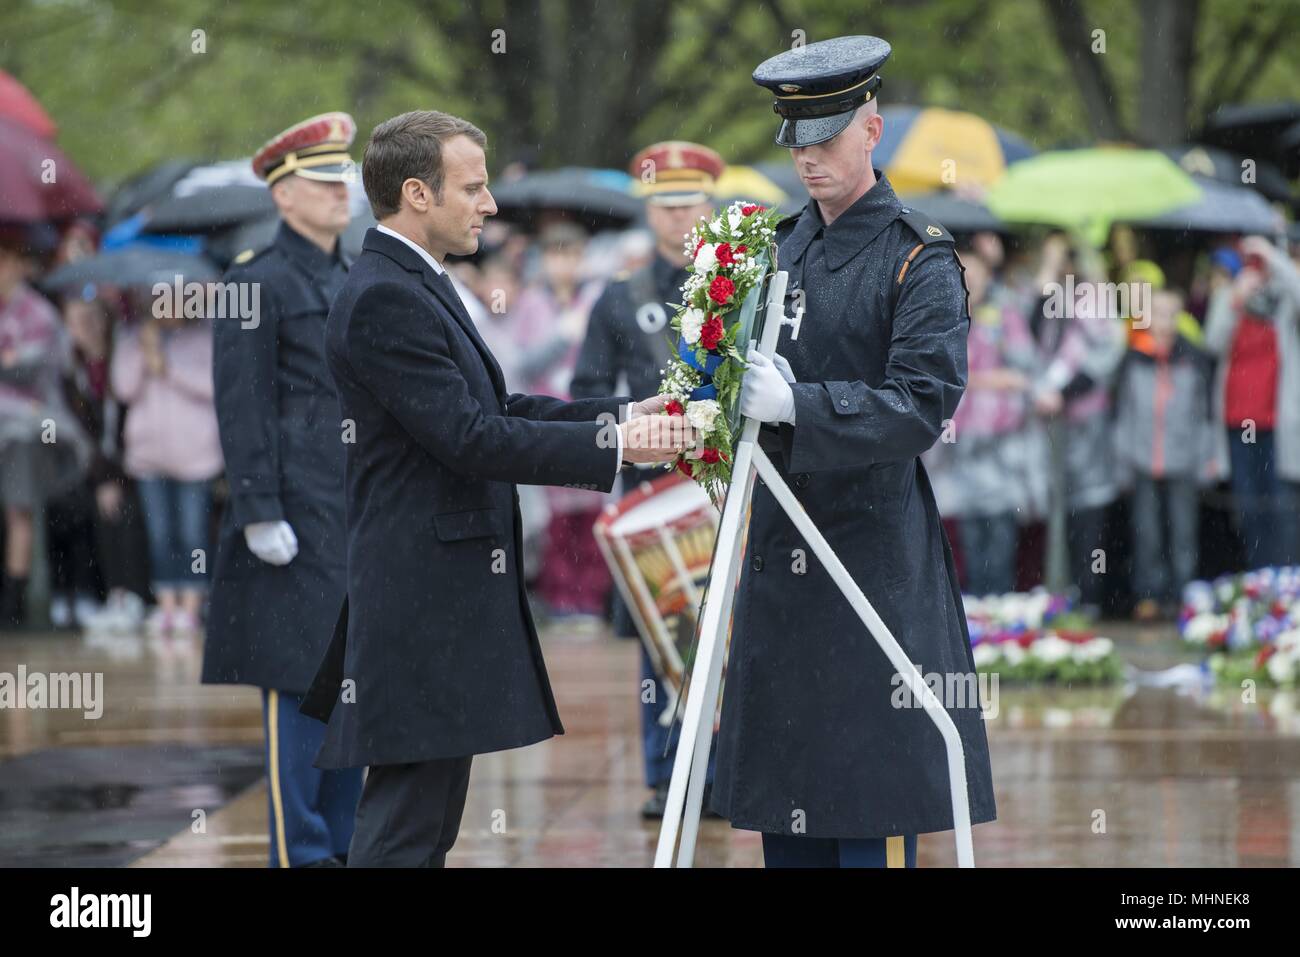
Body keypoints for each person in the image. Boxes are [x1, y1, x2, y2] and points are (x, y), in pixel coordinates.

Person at [298, 110, 691, 867]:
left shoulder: (415, 280)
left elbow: (498, 409)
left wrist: (620, 414)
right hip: (420, 594)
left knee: (428, 821)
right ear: (417, 193)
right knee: (406, 828)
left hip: (439, 590)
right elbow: (470, 439)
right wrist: (616, 444)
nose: (490, 203)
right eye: (472, 187)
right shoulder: (387, 294)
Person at [712, 35, 997, 868]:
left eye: (825, 138)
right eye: (795, 141)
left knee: (866, 808)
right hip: (782, 550)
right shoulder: (780, 246)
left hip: (868, 558)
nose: (807, 159)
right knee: (786, 820)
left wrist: (796, 404)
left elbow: (921, 405)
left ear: (871, 130)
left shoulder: (918, 255)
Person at [201, 112, 366, 868]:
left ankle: (341, 846)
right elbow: (243, 407)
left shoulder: (354, 276)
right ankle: (301, 855)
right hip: (294, 515)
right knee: (300, 691)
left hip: (354, 510)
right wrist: (257, 508)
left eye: (343, 177)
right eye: (321, 180)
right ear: (281, 194)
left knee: (348, 690)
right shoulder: (253, 281)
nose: (340, 191)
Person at [571, 139, 725, 818]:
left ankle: (723, 774)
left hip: (724, 483)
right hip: (654, 489)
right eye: (664, 205)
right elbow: (587, 393)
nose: (676, 217)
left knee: (728, 629)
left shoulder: (739, 289)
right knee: (667, 632)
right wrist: (641, 434)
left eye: (688, 203)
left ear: (710, 204)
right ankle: (667, 778)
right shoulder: (618, 298)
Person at [110, 300, 221, 638]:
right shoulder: (133, 338)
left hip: (195, 454)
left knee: (193, 532)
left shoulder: (204, 336)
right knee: (161, 534)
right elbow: (123, 389)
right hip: (149, 456)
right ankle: (167, 606)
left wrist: (167, 366)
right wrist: (145, 351)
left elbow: (214, 384)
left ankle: (192, 605)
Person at [0, 226, 92, 630]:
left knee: (21, 509)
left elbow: (31, 369)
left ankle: (14, 606)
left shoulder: (37, 313)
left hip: (26, 428)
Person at [1113, 288, 1216, 620]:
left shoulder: (1193, 358)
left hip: (1183, 457)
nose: (1164, 321)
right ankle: (1149, 595)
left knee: (1184, 530)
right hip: (1142, 457)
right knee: (1147, 532)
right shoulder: (1133, 357)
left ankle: (1182, 595)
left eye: (1171, 313)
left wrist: (1207, 458)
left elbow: (1204, 415)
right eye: (1158, 312)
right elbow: (1122, 412)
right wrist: (1122, 459)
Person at [1204, 235, 1300, 571]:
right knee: (1246, 511)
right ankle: (1257, 580)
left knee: (1280, 508)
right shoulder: (1230, 297)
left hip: (1278, 425)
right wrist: (1234, 297)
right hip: (1236, 423)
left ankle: (1284, 582)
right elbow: (1213, 342)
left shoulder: (1285, 303)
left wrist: (1275, 258)